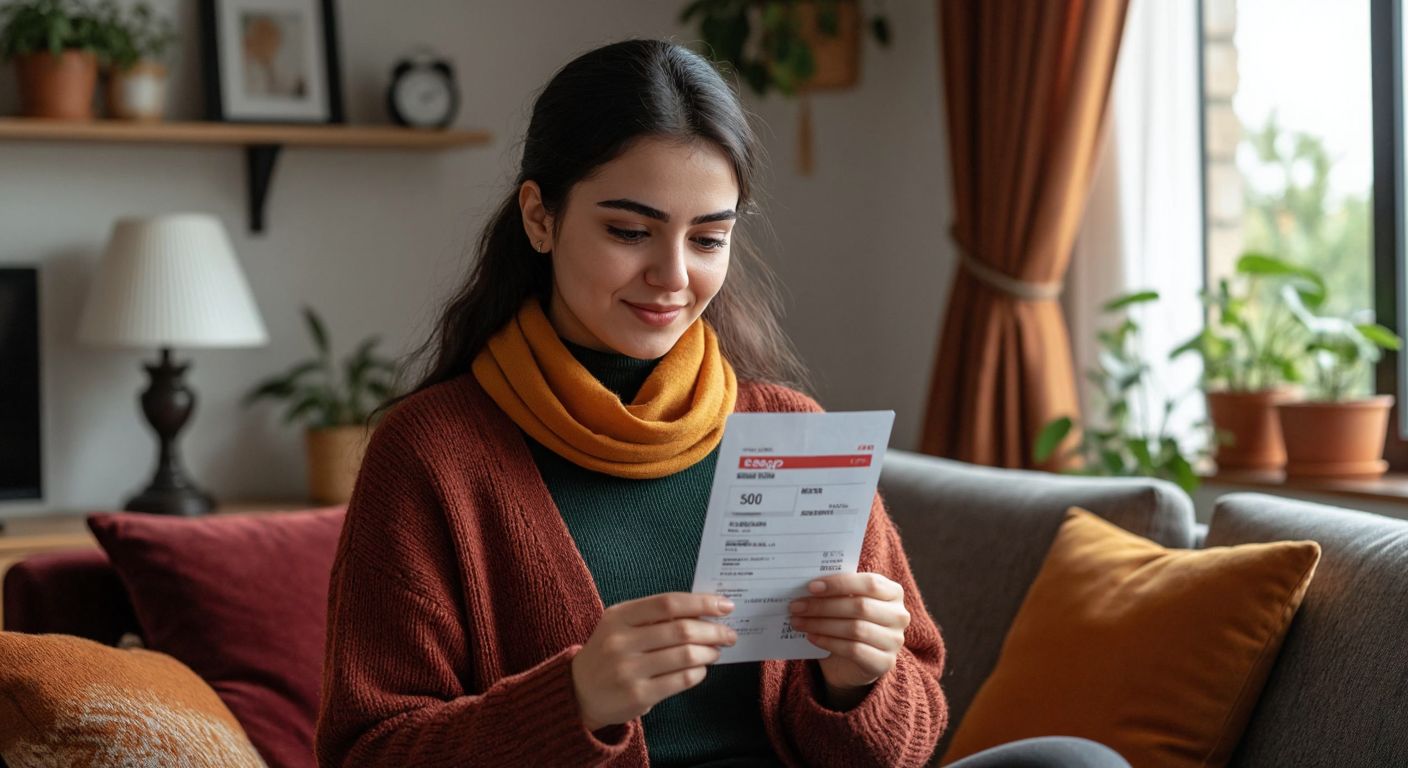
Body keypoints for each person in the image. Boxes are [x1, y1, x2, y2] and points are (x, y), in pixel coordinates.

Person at [314, 38, 1130, 768]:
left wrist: (859, 681)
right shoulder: (431, 456)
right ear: (540, 217)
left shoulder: (787, 430)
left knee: (1075, 763)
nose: (674, 276)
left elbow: (911, 739)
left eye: (708, 238)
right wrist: (575, 703)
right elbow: (368, 752)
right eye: (630, 232)